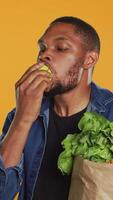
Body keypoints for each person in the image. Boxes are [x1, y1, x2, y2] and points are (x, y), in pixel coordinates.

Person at [0, 16, 113, 200]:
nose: (43, 55)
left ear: (89, 60)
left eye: (61, 48)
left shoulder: (111, 113)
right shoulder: (19, 116)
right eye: (42, 48)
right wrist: (23, 119)